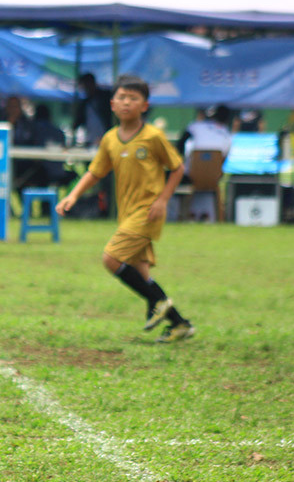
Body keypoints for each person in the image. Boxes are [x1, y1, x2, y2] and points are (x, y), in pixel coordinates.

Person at [56, 75, 194, 343]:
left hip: (148, 211)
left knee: (111, 258)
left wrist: (163, 199)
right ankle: (179, 324)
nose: (126, 103)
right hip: (127, 214)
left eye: (133, 98)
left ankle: (158, 303)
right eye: (122, 97)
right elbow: (95, 172)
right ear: (112, 104)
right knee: (141, 273)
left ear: (145, 106)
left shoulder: (153, 136)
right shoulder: (110, 139)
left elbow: (177, 168)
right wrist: (72, 195)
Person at [72, 73, 113, 145]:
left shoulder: (105, 97)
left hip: (106, 138)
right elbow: (78, 120)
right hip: (90, 139)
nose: (85, 87)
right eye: (84, 85)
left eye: (87, 84)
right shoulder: (84, 103)